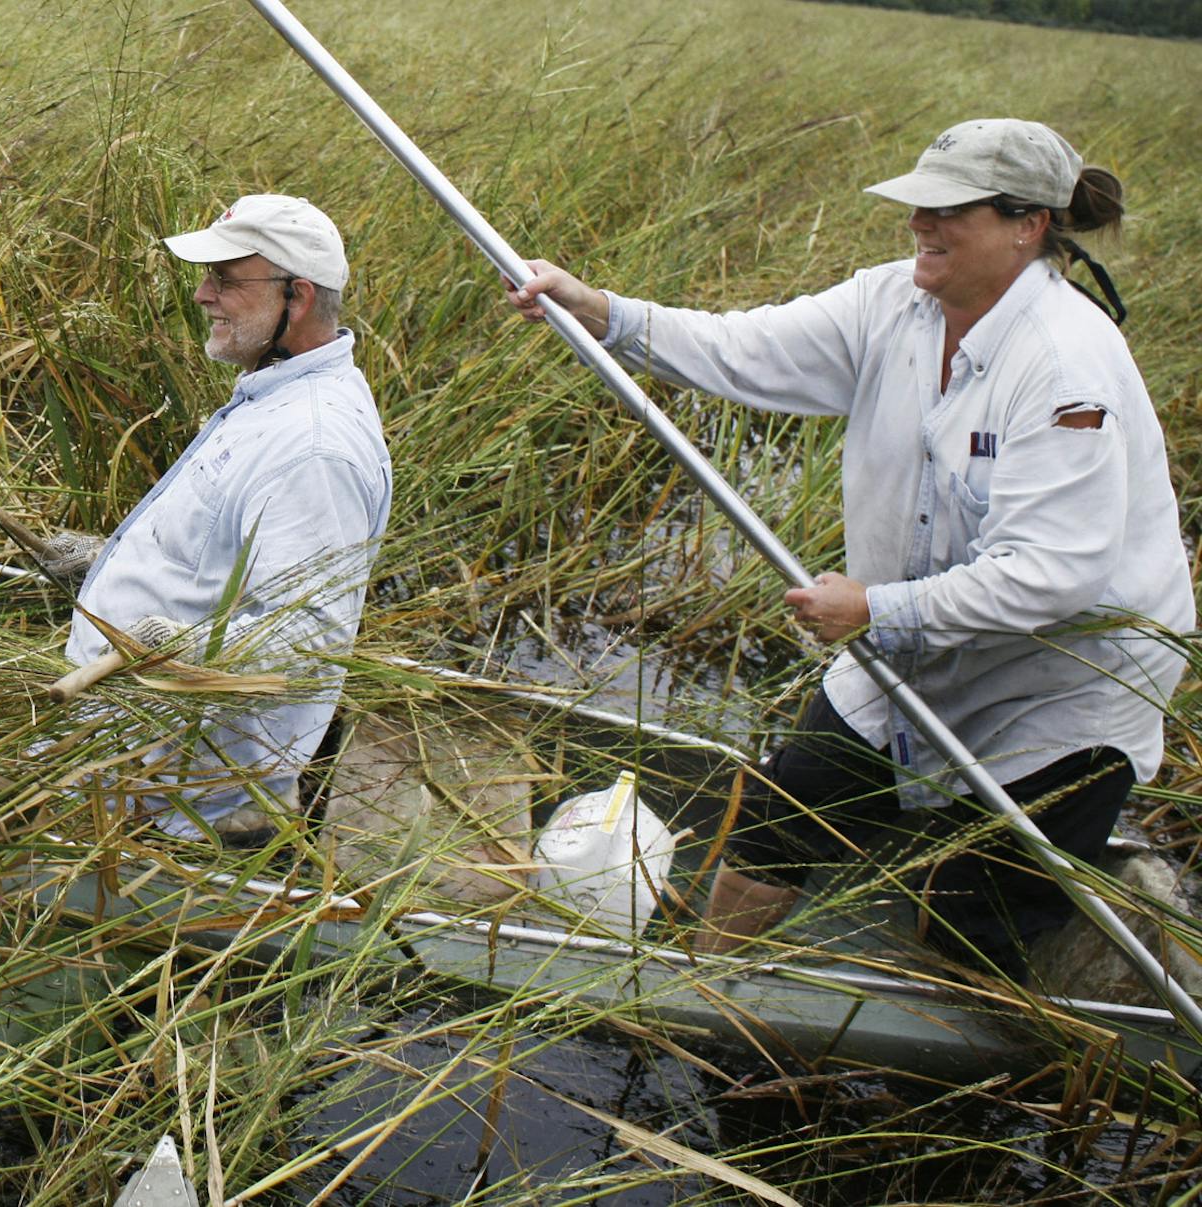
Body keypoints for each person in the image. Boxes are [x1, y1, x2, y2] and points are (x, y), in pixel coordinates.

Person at [505, 119, 1194, 977]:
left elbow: (1051, 577)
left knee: (971, 913)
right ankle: (701, 994)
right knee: (780, 815)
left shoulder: (1065, 366)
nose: (921, 225)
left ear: (1030, 225)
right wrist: (602, 312)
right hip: (915, 647)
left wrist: (874, 607)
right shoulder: (891, 302)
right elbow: (740, 347)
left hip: (1059, 687)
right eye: (918, 206)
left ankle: (938, 1072)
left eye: (949, 211)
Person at [41, 194, 393, 842]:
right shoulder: (275, 393)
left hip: (185, 814)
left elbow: (307, 649)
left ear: (299, 296)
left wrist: (170, 643)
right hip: (130, 762)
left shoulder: (314, 448)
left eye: (226, 279)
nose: (203, 295)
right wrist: (105, 564)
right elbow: (220, 553)